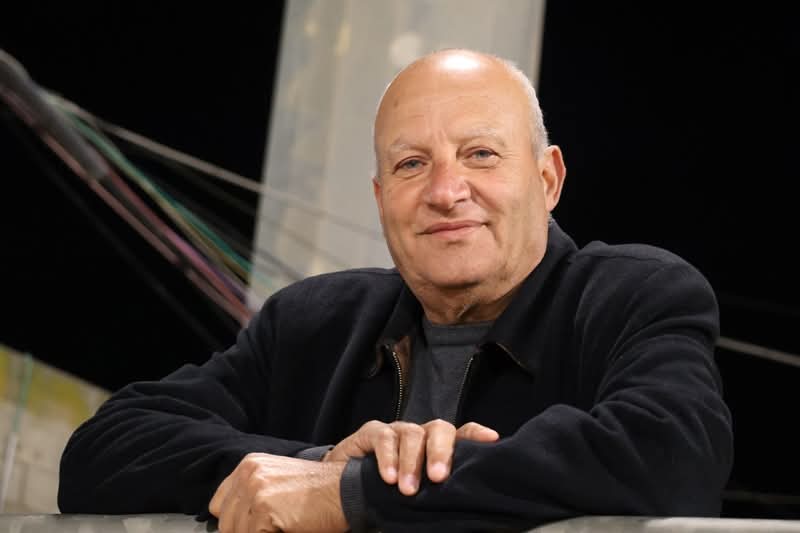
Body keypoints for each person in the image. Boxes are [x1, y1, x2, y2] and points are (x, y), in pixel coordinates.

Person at [58, 49, 733, 532]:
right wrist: (309, 466)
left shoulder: (633, 295)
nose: (445, 191)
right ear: (382, 200)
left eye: (481, 154)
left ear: (548, 179)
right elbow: (104, 449)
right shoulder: (312, 321)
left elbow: (671, 458)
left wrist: (352, 495)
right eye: (412, 164)